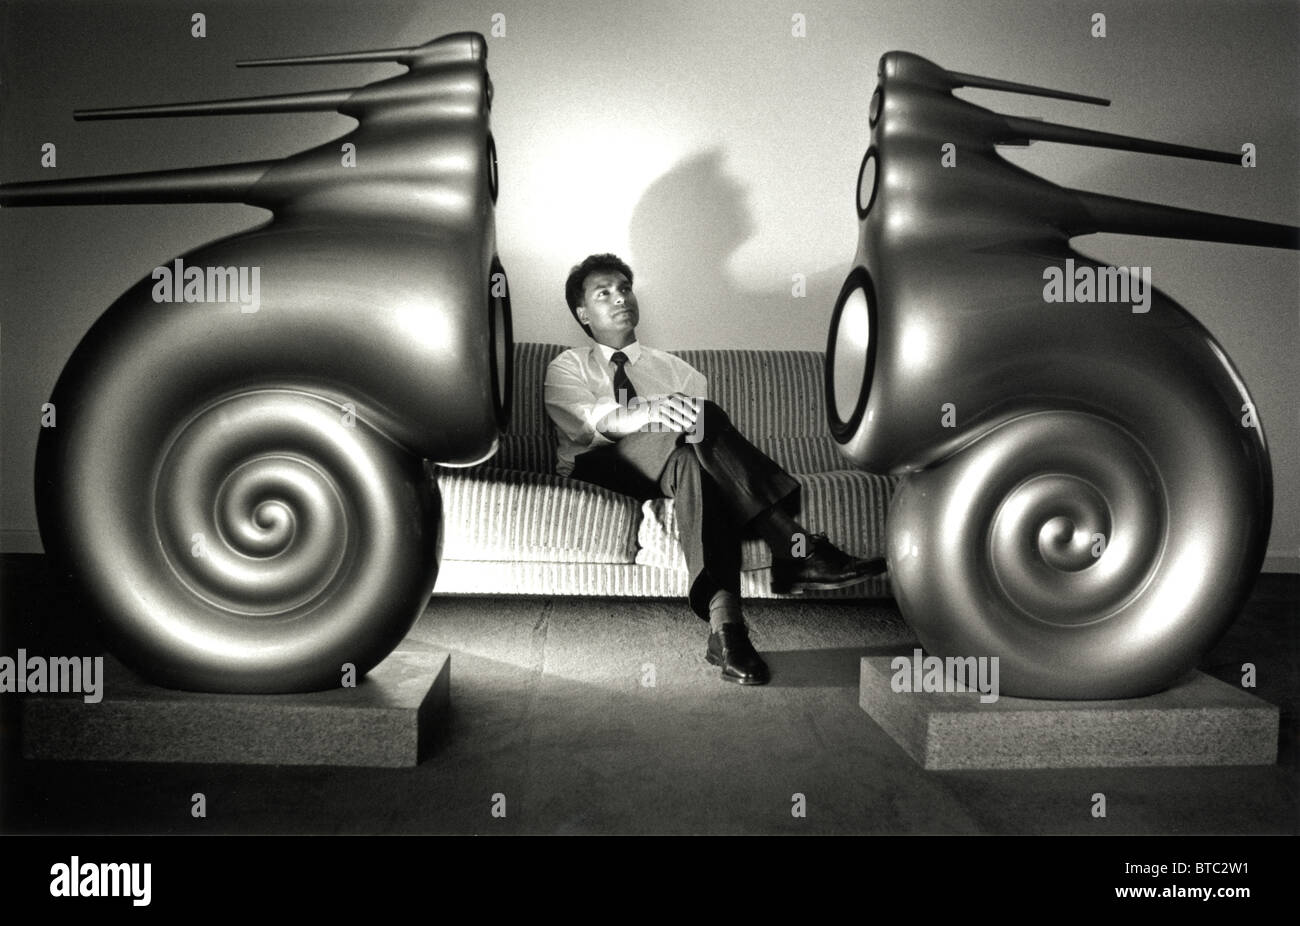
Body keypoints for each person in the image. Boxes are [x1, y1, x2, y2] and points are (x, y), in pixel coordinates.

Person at [544, 253, 885, 686]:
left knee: (696, 462)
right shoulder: (567, 366)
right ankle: (795, 547)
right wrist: (650, 410)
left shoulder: (677, 370)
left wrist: (676, 415)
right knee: (692, 426)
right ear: (583, 313)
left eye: (625, 288)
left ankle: (726, 632)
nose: (620, 299)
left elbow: (703, 444)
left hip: (670, 467)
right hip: (597, 465)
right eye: (604, 293)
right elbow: (591, 424)